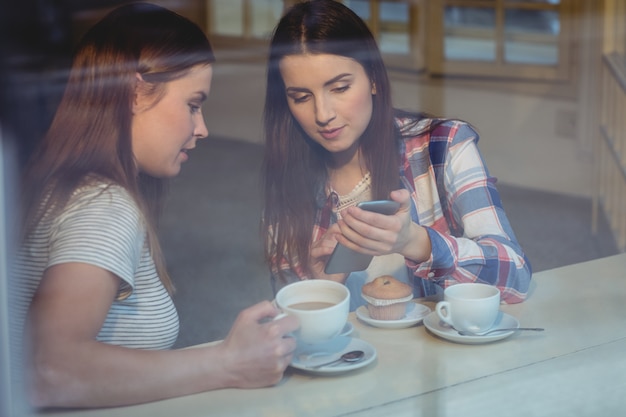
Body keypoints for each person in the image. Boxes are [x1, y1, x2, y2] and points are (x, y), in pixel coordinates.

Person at [13, 2, 298, 409]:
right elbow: (49, 368)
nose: (202, 129)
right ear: (134, 91)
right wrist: (228, 362)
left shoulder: (55, 183)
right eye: (193, 104)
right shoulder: (103, 206)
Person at [261, 0, 532, 310]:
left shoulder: (443, 146)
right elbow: (291, 335)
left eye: (340, 88)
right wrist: (321, 289)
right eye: (301, 97)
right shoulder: (288, 181)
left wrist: (416, 242)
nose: (323, 114)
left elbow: (517, 278)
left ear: (373, 78)